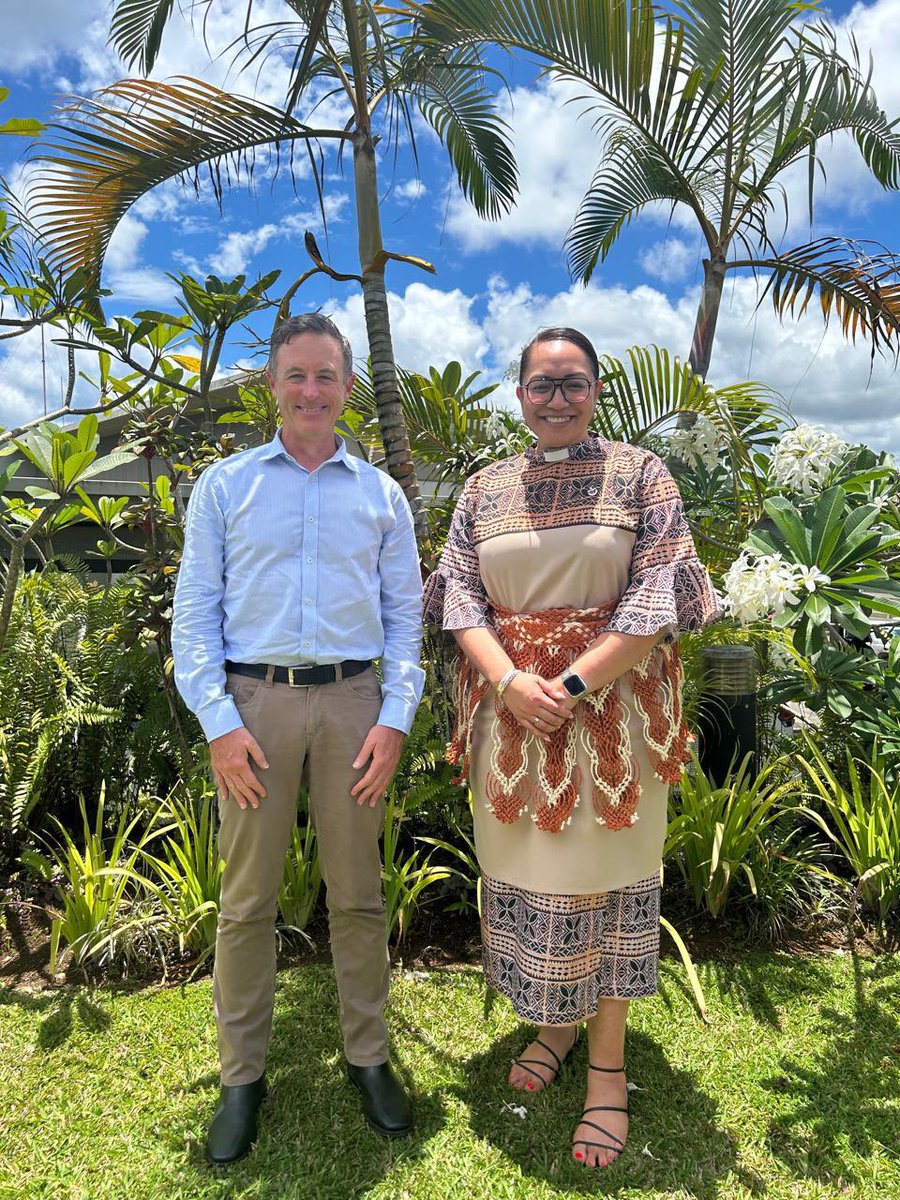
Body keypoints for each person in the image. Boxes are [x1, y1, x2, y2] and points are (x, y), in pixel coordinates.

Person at [424, 327, 718, 1169]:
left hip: (614, 720)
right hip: (509, 722)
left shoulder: (640, 474)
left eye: (573, 383)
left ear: (596, 391)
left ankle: (607, 1069)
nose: (557, 399)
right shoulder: (483, 488)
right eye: (541, 384)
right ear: (518, 394)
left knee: (608, 880)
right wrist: (513, 684)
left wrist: (574, 685)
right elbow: (459, 599)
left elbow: (659, 596)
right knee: (531, 874)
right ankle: (556, 1023)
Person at [172, 312, 425, 1165]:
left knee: (357, 893)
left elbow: (405, 617)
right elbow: (194, 616)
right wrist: (220, 724)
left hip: (354, 706)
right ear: (272, 385)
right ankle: (241, 1077)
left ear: (346, 387)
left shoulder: (380, 496)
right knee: (246, 902)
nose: (311, 391)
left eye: (326, 376)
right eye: (296, 375)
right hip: (255, 709)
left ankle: (369, 1057)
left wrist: (394, 718)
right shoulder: (227, 486)